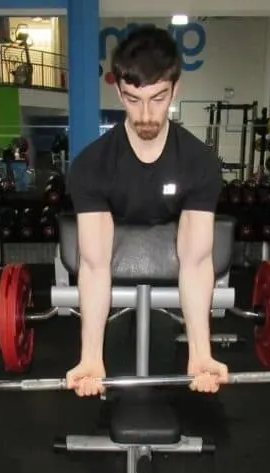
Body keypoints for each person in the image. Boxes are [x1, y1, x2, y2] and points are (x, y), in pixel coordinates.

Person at [64, 25, 229, 397]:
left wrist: (201, 353)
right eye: (133, 99)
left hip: (172, 248)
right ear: (119, 90)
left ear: (175, 88)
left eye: (158, 98)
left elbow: (197, 259)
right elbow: (93, 263)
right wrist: (90, 356)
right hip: (113, 246)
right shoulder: (91, 165)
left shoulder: (199, 163)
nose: (146, 114)